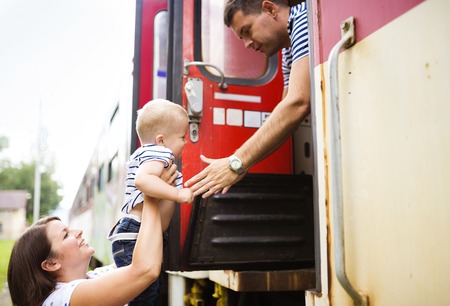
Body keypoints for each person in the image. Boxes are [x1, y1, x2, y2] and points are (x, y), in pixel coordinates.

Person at [185, 0, 310, 198]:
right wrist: (242, 163)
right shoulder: (288, 49)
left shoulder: (303, 21)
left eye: (248, 30)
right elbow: (285, 114)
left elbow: (297, 103)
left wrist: (236, 163)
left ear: (269, 9)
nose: (247, 44)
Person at [108, 99, 194, 305]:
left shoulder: (153, 154)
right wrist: (179, 195)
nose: (186, 142)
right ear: (161, 140)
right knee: (144, 298)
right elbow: (143, 180)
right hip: (135, 235)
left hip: (136, 235)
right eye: (182, 137)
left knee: (147, 296)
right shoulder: (158, 152)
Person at [7, 195, 164, 306]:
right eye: (66, 235)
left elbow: (148, 250)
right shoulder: (61, 299)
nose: (78, 231)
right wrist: (150, 196)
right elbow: (145, 270)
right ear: (51, 264)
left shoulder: (94, 276)